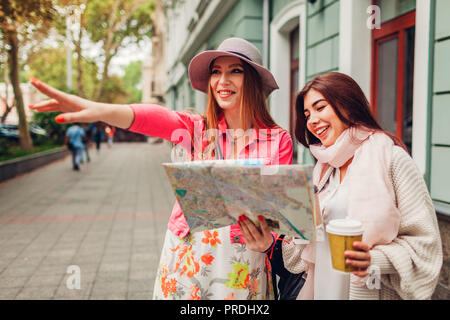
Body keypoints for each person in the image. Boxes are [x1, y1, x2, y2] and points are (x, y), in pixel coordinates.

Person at [28, 37, 293, 300]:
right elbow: (155, 118)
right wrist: (101, 110)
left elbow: (280, 217)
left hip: (245, 260)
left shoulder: (278, 140)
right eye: (216, 72)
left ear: (254, 81)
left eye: (235, 71)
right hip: (190, 253)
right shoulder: (195, 129)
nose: (222, 81)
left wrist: (271, 240)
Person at [239, 72, 443, 300]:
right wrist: (268, 242)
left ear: (347, 105)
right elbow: (306, 255)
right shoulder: (324, 170)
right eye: (307, 114)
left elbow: (425, 246)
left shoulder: (392, 159)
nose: (312, 120)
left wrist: (373, 260)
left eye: (320, 107)